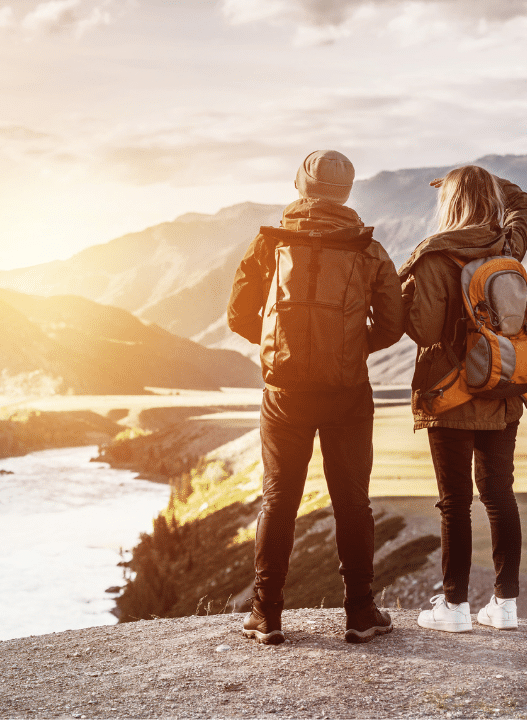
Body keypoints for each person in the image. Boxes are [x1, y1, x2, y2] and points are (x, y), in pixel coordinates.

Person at [227, 149, 404, 645]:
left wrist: (282, 349)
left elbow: (239, 316)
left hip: (284, 393)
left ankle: (267, 614)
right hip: (347, 393)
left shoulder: (270, 244)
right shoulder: (368, 249)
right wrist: (347, 348)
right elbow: (392, 324)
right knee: (353, 501)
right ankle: (361, 613)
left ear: (301, 185)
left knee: (279, 499)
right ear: (346, 194)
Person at [397, 165, 527, 632]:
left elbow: (425, 330)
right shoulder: (506, 247)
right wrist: (493, 179)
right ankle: (506, 606)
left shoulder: (434, 255)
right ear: (489, 200)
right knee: (499, 494)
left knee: (455, 502)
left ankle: (454, 608)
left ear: (449, 203)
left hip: (450, 397)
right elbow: (523, 204)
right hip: (501, 389)